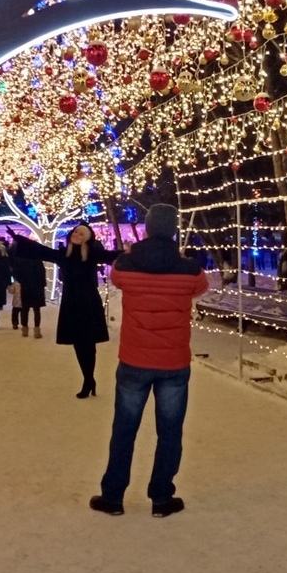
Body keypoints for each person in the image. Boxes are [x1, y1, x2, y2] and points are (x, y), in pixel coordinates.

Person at [90, 203, 208, 518]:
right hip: (173, 363)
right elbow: (201, 286)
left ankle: (113, 497)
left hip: (133, 360)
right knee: (170, 431)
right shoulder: (190, 269)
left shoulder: (126, 265)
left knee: (124, 429)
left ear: (147, 226)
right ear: (173, 229)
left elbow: (115, 277)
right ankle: (161, 497)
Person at [8, 223, 118, 397]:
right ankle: (88, 378)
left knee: (88, 342)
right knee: (78, 343)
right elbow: (41, 251)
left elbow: (113, 256)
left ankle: (89, 379)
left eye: (81, 234)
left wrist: (136, 252)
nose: (77, 235)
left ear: (87, 238)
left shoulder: (92, 254)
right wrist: (18, 239)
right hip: (71, 302)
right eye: (75, 232)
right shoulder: (63, 255)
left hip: (88, 302)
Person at [9, 237, 47, 336]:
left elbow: (18, 273)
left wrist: (22, 282)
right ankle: (37, 330)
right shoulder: (38, 260)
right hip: (37, 287)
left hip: (26, 286)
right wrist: (42, 284)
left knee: (25, 309)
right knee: (36, 310)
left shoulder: (22, 260)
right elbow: (42, 272)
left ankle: (25, 329)